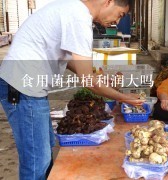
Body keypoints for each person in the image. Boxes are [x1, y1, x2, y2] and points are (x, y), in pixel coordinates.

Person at [0, 0, 144, 179]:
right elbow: (87, 81)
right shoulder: (79, 18)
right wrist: (124, 97)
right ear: (108, 2)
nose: (116, 20)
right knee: (37, 160)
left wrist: (96, 77)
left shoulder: (72, 10)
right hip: (22, 88)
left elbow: (70, 61)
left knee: (44, 151)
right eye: (120, 14)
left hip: (28, 88)